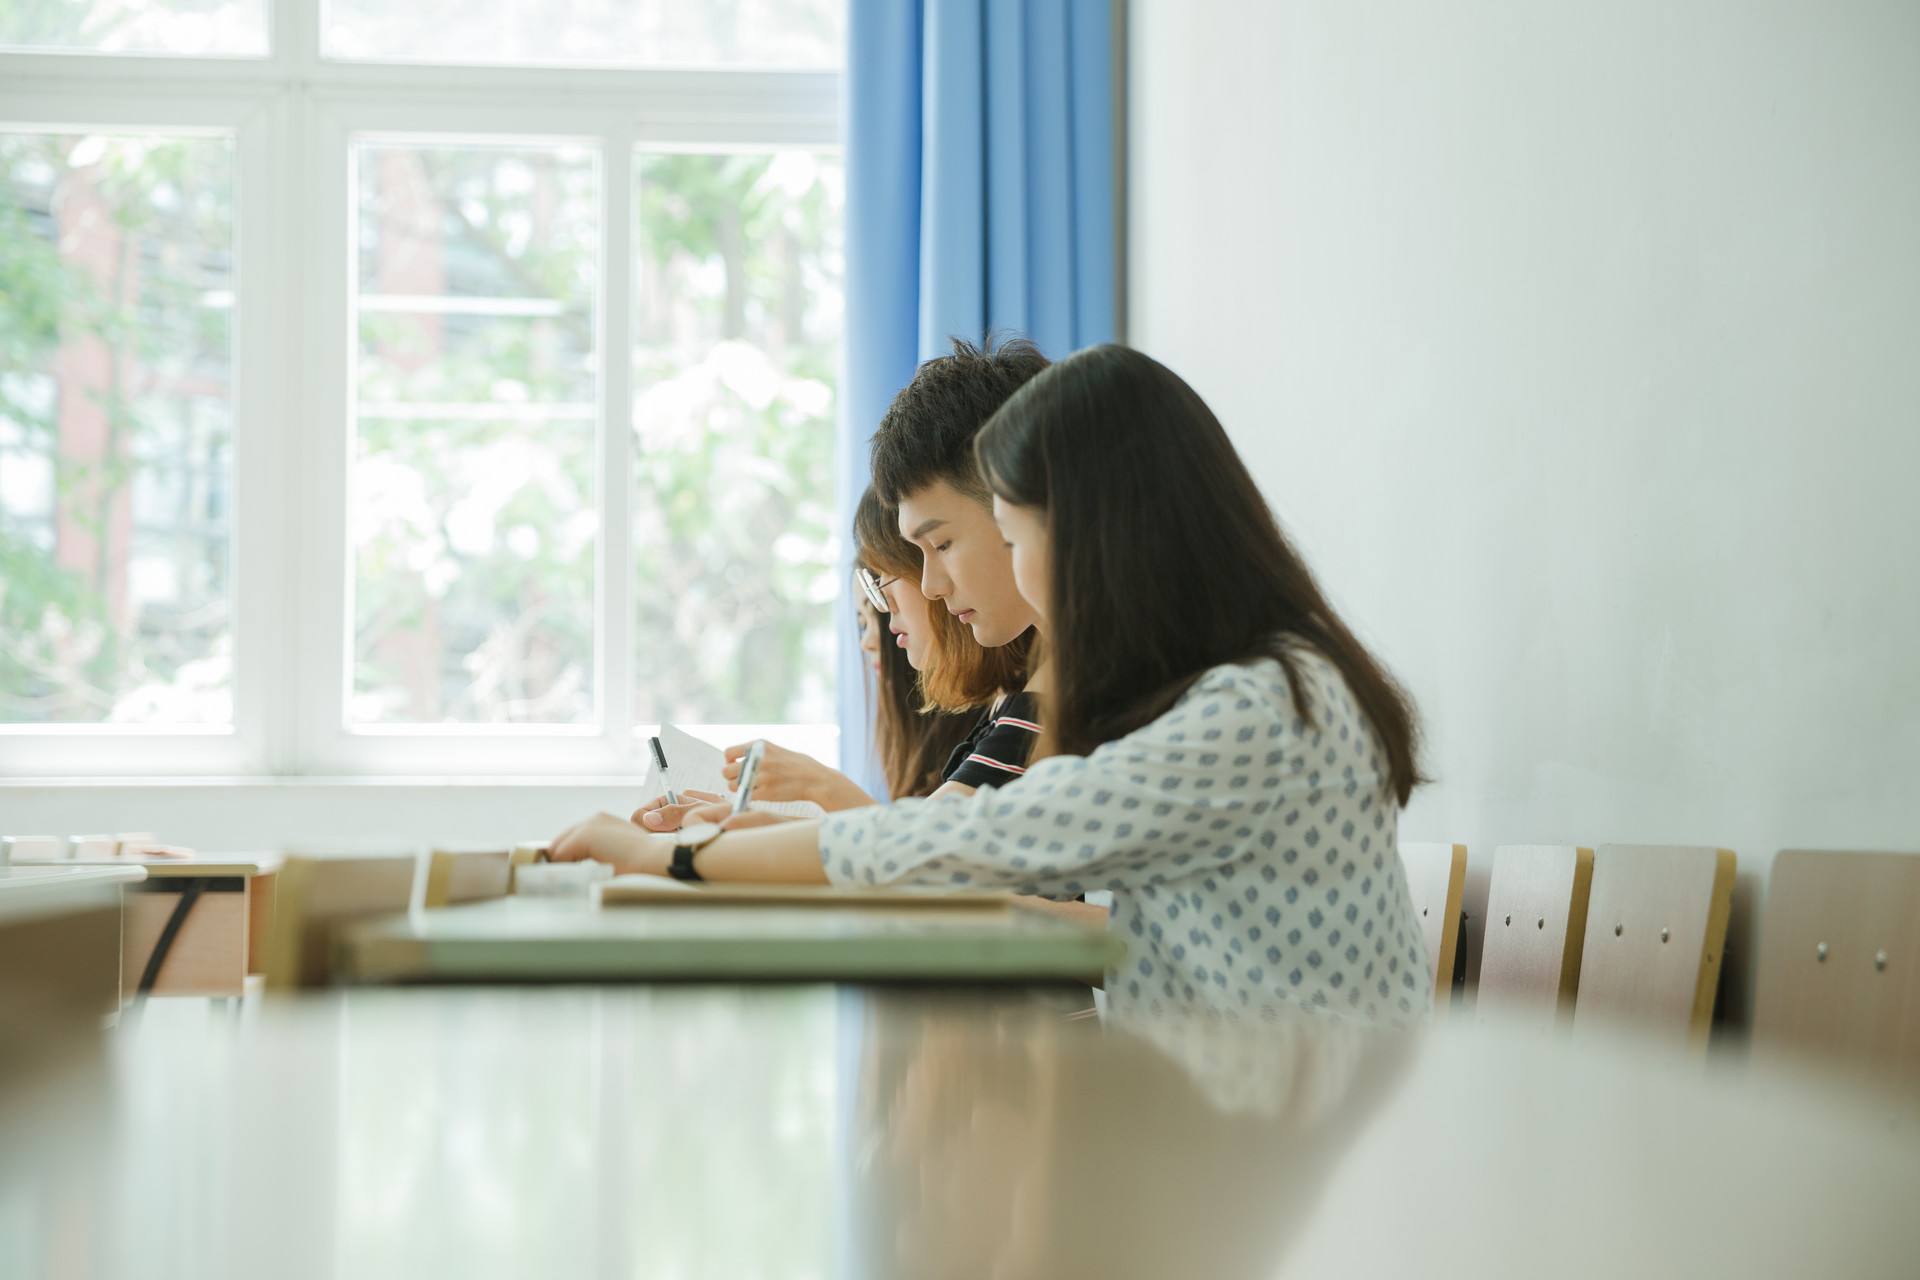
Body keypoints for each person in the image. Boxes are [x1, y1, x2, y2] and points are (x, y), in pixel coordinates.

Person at [555, 344, 1430, 1023]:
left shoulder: (1256, 712)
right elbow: (1024, 889)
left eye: (1013, 538)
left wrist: (673, 856)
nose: (942, 585)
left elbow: (977, 845)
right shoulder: (1260, 684)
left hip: (1298, 1168)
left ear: (1097, 531)